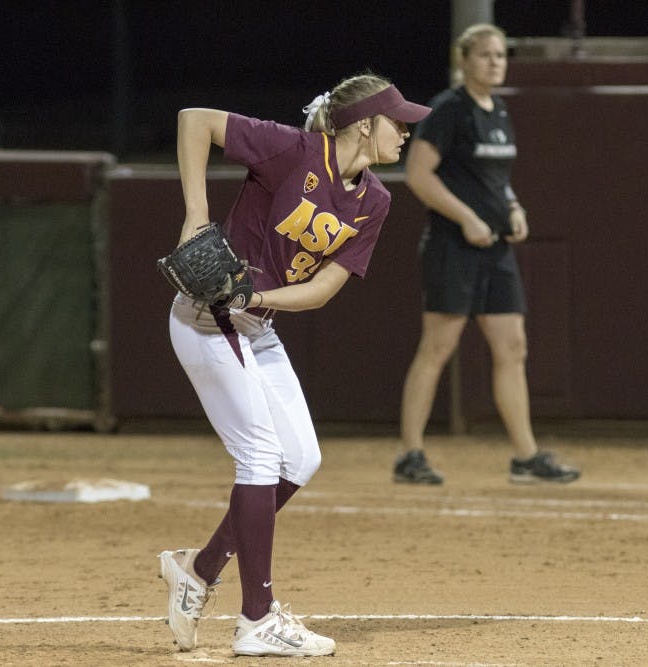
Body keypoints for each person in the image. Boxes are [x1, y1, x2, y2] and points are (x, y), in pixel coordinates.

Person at [158, 73, 430, 657]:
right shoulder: (295, 149)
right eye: (397, 121)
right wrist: (195, 216)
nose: (405, 132)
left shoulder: (375, 200)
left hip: (253, 322)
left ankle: (199, 570)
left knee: (301, 458)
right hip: (206, 320)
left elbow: (325, 288)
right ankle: (257, 619)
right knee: (259, 454)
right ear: (364, 125)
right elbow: (195, 118)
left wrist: (258, 300)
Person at [392, 24, 580, 486]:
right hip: (453, 247)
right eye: (485, 55)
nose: (496, 62)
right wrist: (465, 218)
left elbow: (497, 178)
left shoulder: (499, 110)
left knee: (513, 347)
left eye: (500, 55)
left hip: (495, 250)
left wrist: (513, 207)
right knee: (437, 347)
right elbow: (418, 174)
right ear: (465, 61)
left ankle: (525, 456)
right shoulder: (449, 110)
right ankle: (410, 455)